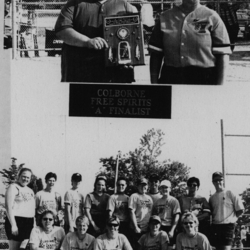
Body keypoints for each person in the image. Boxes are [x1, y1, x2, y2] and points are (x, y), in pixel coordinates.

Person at [148, 0, 232, 85]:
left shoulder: (212, 17)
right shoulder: (165, 17)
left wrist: (220, 86)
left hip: (204, 79)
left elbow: (222, 55)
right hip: (171, 77)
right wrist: (154, 85)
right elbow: (156, 55)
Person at [54, 0, 137, 83]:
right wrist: (87, 41)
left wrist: (131, 59)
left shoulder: (124, 5)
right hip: (80, 71)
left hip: (115, 73)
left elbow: (134, 36)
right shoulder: (74, 3)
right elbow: (62, 31)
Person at [209, 171, 244, 250]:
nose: (218, 182)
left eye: (220, 179)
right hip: (216, 226)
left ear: (223, 180)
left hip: (228, 226)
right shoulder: (212, 198)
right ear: (213, 182)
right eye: (215, 180)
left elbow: (240, 210)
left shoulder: (230, 193)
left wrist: (232, 220)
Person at [4, 168, 35, 250]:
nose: (25, 179)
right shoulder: (13, 187)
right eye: (23, 176)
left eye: (28, 177)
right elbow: (8, 207)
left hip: (28, 222)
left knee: (24, 248)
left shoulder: (30, 190)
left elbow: (31, 208)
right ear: (19, 176)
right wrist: (13, 225)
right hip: (16, 221)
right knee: (15, 248)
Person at [153, 179, 181, 250]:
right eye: (162, 187)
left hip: (169, 226)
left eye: (166, 187)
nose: (164, 189)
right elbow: (155, 215)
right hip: (159, 227)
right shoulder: (157, 201)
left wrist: (172, 230)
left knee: (170, 247)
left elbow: (176, 216)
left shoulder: (174, 201)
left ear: (170, 189)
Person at [128, 177, 153, 249]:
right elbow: (131, 211)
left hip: (146, 228)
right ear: (137, 186)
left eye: (145, 185)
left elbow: (150, 213)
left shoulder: (149, 198)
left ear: (147, 186)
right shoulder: (134, 196)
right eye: (141, 185)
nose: (143, 187)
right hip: (137, 227)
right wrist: (135, 227)